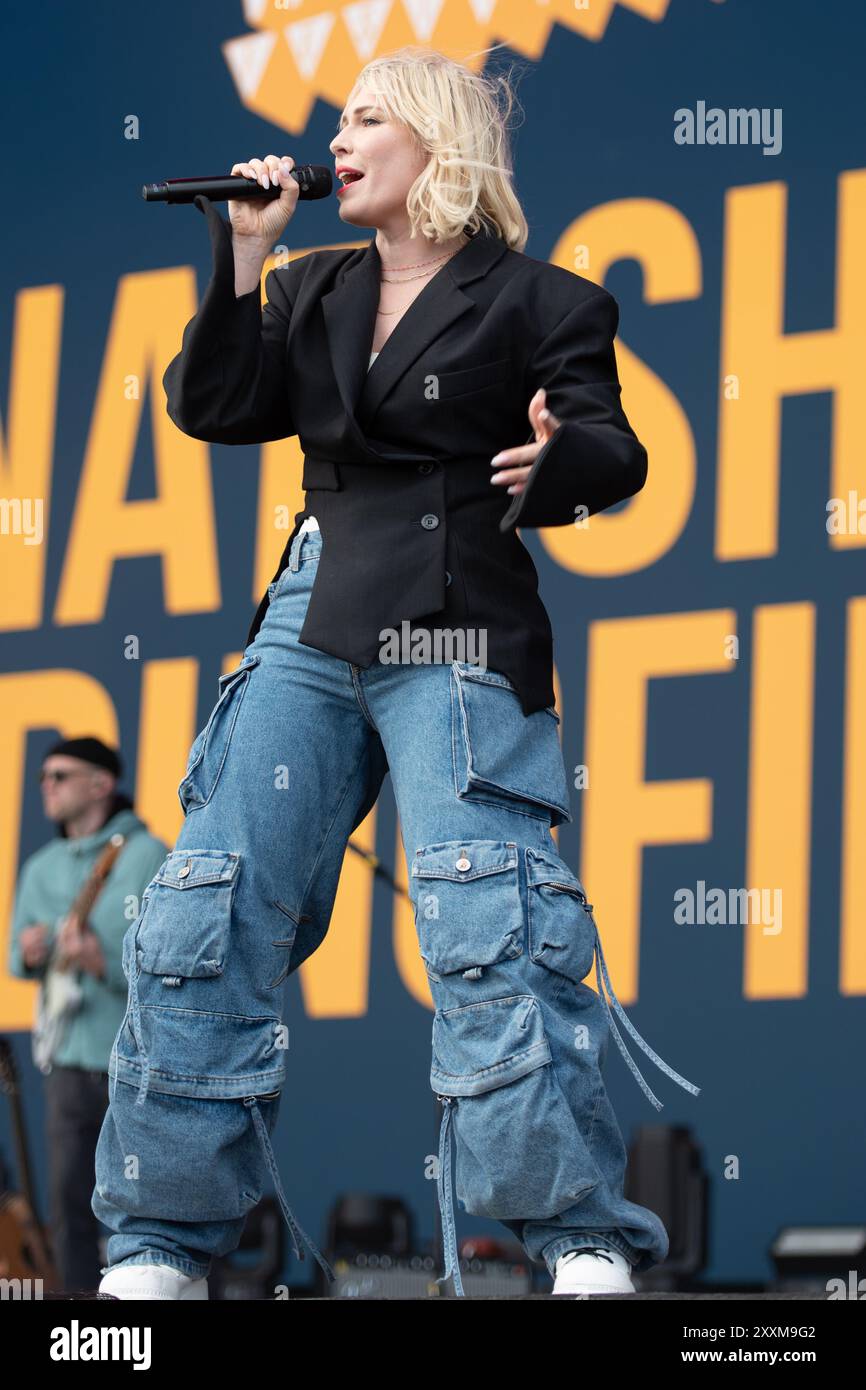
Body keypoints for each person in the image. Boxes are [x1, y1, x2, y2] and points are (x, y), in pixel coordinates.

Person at [93, 45, 699, 1301]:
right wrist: (245, 255)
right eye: (337, 118)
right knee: (207, 906)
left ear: (436, 142)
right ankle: (157, 1246)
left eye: (367, 117)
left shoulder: (538, 299)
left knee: (491, 914)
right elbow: (210, 401)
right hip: (313, 611)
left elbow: (612, 443)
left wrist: (559, 461)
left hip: (456, 608)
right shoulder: (309, 283)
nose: (338, 137)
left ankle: (574, 1234)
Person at [8, 736, 168, 1293]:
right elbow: (14, 955)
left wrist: (104, 961)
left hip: (135, 1062)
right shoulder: (40, 867)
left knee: (154, 1204)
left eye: (59, 776)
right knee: (68, 1204)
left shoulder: (146, 854)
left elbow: (168, 959)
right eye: (43, 777)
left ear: (100, 784)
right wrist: (29, 953)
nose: (46, 787)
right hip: (70, 1064)